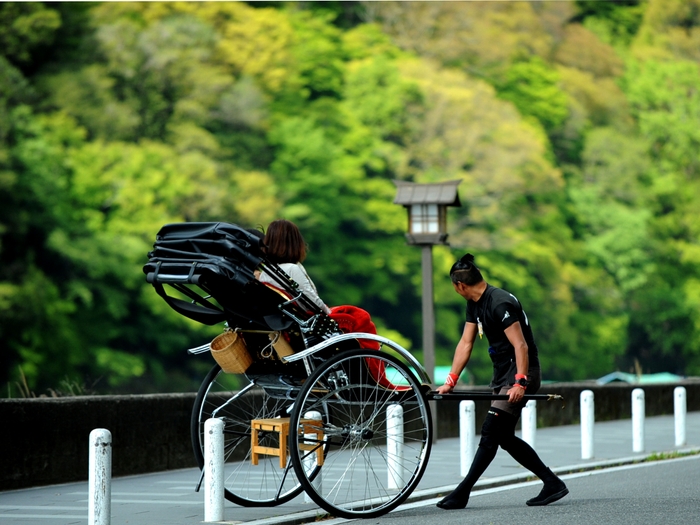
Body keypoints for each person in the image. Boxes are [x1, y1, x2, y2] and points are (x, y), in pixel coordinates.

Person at [436, 253, 568, 509]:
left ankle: (462, 493)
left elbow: (521, 345)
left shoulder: (499, 303)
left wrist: (520, 383)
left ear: (459, 285)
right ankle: (552, 483)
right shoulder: (474, 303)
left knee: (490, 431)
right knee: (504, 437)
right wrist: (450, 381)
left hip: (521, 371)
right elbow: (466, 342)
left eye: (453, 287)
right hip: (502, 373)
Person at [257, 219, 331, 314]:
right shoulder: (292, 269)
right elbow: (313, 301)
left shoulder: (266, 272)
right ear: (295, 243)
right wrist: (329, 313)